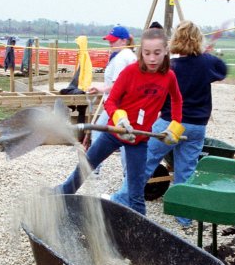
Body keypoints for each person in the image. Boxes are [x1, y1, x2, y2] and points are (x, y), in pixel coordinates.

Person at [55, 27, 184, 216]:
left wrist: (175, 126)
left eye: (157, 53)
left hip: (138, 142)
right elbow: (112, 101)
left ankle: (141, 226)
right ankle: (59, 197)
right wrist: (121, 119)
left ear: (166, 51)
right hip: (115, 134)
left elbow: (177, 100)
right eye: (147, 53)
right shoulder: (130, 72)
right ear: (141, 52)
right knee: (85, 167)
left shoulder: (169, 77)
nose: (152, 59)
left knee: (136, 190)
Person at [110, 20, 227, 227]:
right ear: (198, 40)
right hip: (197, 126)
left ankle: (120, 201)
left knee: (144, 163)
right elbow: (222, 69)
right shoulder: (207, 63)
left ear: (175, 40)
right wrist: (205, 56)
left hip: (170, 123)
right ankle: (184, 216)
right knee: (186, 170)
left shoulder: (169, 67)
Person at [86, 26, 136, 173]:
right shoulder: (128, 55)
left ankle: (93, 167)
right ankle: (97, 167)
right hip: (123, 103)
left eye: (113, 41)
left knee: (106, 133)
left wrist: (100, 88)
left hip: (117, 104)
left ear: (124, 41)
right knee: (124, 137)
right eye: (110, 41)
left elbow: (117, 86)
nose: (111, 44)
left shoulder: (121, 58)